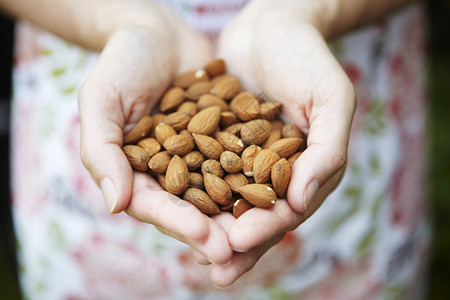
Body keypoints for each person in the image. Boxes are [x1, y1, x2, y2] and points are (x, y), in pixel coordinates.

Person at [0, 0, 430, 299]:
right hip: (98, 89)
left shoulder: (254, 135)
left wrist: (306, 9)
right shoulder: (171, 135)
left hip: (334, 91)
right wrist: (123, 18)